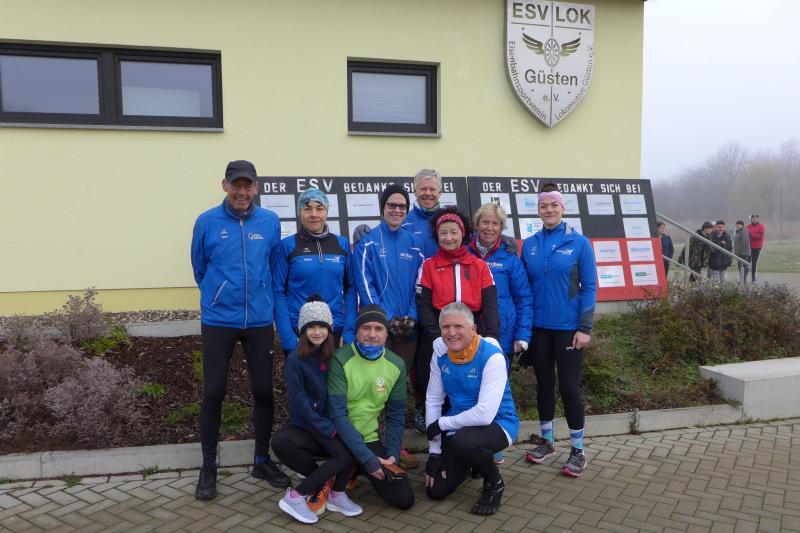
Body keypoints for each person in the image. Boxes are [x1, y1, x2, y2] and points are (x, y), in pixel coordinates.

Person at [190, 160, 289, 500]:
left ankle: (261, 461)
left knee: (263, 390)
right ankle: (208, 467)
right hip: (219, 320)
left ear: (256, 188)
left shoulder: (270, 221)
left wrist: (264, 299)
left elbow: (273, 266)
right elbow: (199, 267)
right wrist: (218, 294)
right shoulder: (206, 222)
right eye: (236, 185)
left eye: (248, 186)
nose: (242, 192)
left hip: (259, 320)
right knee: (214, 392)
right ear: (225, 185)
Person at [520, 183, 596, 478]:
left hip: (568, 329)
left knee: (568, 387)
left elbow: (590, 287)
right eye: (544, 205)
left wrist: (585, 327)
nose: (549, 210)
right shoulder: (530, 244)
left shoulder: (580, 243)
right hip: (539, 330)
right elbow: (524, 288)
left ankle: (578, 450)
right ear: (538, 210)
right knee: (543, 385)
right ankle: (548, 442)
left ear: (563, 207)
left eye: (554, 205)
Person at [352, 184, 424, 469]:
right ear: (382, 208)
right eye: (391, 205)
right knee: (374, 387)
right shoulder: (368, 242)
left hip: (408, 330)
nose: (397, 210)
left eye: (402, 206)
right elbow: (364, 283)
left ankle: (396, 446)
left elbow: (420, 284)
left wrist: (411, 317)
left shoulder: (414, 244)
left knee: (396, 387)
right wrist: (385, 319)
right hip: (379, 329)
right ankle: (369, 445)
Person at [271, 297, 362, 524]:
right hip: (310, 424)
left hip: (331, 421)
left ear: (329, 329)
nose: (317, 332)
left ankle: (336, 494)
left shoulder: (333, 357)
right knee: (342, 455)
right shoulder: (295, 360)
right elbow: (300, 405)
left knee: (351, 448)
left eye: (322, 326)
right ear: (303, 330)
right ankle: (296, 496)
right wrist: (331, 429)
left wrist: (339, 425)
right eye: (311, 326)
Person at [424, 303, 519, 516]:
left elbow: (484, 414)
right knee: (435, 490)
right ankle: (472, 463)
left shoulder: (492, 356)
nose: (451, 333)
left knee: (464, 442)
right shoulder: (440, 350)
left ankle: (494, 483)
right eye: (446, 327)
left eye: (458, 326)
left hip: (498, 423)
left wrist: (441, 424)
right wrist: (434, 453)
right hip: (460, 427)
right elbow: (433, 399)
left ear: (473, 329)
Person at [415, 206, 499, 434]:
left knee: (471, 386)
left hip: (472, 331)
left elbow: (491, 304)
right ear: (437, 236)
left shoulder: (479, 265)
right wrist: (435, 336)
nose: (449, 237)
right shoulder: (429, 265)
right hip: (439, 331)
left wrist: (492, 337)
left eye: (453, 232)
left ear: (463, 234)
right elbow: (423, 305)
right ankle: (436, 435)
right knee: (431, 381)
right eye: (443, 233)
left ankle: (472, 437)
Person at [327, 305, 415, 510]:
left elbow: (396, 414)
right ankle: (351, 467)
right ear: (357, 331)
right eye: (366, 328)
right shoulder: (340, 359)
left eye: (379, 329)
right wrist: (368, 459)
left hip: (369, 439)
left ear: (386, 334)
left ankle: (356, 468)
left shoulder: (397, 364)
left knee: (404, 498)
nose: (372, 334)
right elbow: (337, 415)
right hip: (340, 438)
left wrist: (392, 454)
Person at [467, 203, 531, 465]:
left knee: (496, 392)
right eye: (485, 222)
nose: (490, 228)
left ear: (501, 228)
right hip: (469, 336)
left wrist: (522, 335)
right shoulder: (463, 253)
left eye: (495, 224)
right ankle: (470, 441)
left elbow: (524, 297)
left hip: (502, 338)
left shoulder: (509, 259)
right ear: (476, 225)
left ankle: (494, 443)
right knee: (470, 390)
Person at [272, 188, 356, 352]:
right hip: (299, 332)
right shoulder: (287, 245)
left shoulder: (342, 244)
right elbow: (277, 291)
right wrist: (287, 336)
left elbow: (351, 288)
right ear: (300, 212)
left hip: (334, 330)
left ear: (326, 212)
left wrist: (349, 331)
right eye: (307, 208)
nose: (313, 214)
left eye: (319, 208)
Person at [402, 168, 443, 258]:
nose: (428, 193)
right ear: (415, 192)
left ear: (440, 192)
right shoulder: (404, 223)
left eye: (432, 189)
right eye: (423, 189)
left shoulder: (451, 220)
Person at [747, 214, 766, 283]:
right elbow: (746, 235)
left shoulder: (761, 226)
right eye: (753, 218)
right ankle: (744, 277)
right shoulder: (748, 227)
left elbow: (760, 236)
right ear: (751, 219)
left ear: (758, 219)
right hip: (749, 247)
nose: (755, 219)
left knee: (754, 262)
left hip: (757, 247)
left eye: (756, 218)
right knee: (747, 262)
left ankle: (753, 278)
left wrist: (751, 235)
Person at [733, 220, 751, 285]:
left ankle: (743, 282)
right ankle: (743, 281)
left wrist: (740, 251)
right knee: (741, 267)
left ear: (742, 225)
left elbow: (744, 242)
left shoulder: (744, 231)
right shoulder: (739, 231)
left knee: (742, 267)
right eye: (736, 224)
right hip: (740, 253)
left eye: (739, 224)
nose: (737, 225)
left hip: (743, 253)